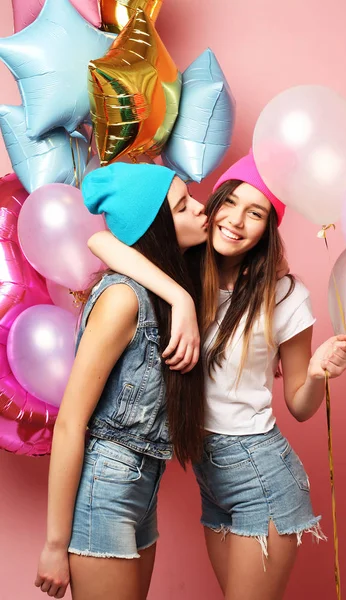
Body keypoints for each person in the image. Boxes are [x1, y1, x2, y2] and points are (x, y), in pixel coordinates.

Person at [88, 151, 346, 600]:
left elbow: (300, 407)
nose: (236, 221)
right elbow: (101, 242)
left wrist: (316, 373)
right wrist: (182, 299)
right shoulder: (183, 272)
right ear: (212, 205)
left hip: (262, 475)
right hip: (211, 479)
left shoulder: (285, 296)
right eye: (229, 203)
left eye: (256, 213)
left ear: (267, 230)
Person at [35, 162, 208, 600]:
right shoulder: (122, 299)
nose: (201, 210)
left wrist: (181, 297)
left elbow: (104, 241)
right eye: (184, 207)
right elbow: (71, 423)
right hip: (106, 489)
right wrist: (56, 545)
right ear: (158, 229)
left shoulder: (164, 294)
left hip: (142, 488)